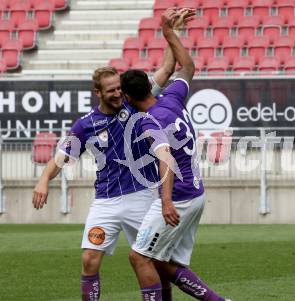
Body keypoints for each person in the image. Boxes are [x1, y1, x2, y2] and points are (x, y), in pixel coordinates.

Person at [31, 9, 195, 301]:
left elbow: (167, 69)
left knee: (156, 262)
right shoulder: (85, 124)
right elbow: (61, 155)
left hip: (142, 196)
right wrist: (44, 181)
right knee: (89, 260)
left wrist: (172, 33)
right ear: (98, 92)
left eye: (119, 88)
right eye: (111, 91)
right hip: (105, 200)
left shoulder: (133, 105)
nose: (118, 94)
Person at [121, 9, 230, 301]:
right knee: (164, 262)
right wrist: (171, 33)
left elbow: (165, 157)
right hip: (195, 192)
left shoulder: (147, 121)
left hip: (177, 197)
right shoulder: (172, 97)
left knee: (139, 257)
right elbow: (187, 67)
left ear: (128, 98)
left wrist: (167, 201)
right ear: (149, 83)